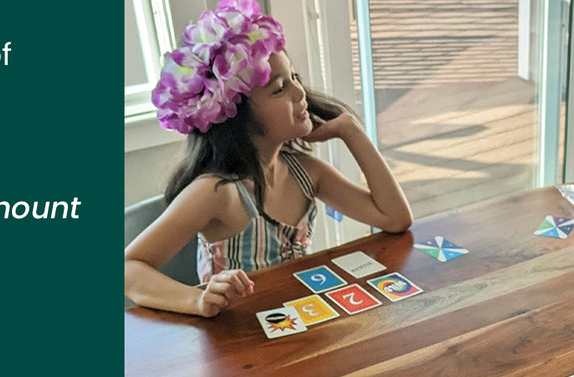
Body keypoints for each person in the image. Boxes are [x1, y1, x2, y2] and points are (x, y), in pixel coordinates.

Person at [125, 0, 411, 316]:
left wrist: (351, 131)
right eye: (279, 89)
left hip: (300, 326)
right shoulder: (218, 194)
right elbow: (128, 268)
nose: (300, 93)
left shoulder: (306, 173)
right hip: (239, 349)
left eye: (295, 78)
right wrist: (198, 300)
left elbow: (394, 218)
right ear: (236, 115)